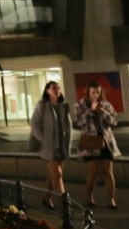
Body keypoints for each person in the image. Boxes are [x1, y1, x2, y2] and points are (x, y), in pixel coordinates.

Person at [74, 81, 120, 209]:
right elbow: (79, 121)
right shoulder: (80, 104)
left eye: (98, 92)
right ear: (88, 92)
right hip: (90, 141)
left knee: (108, 171)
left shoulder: (106, 104)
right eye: (93, 92)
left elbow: (114, 120)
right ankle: (89, 196)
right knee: (93, 171)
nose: (96, 95)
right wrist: (91, 110)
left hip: (106, 141)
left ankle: (111, 200)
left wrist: (103, 112)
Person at [29, 80, 71, 208]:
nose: (57, 90)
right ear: (47, 91)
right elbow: (34, 124)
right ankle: (64, 206)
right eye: (53, 88)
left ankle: (47, 198)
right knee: (57, 175)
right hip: (48, 147)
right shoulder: (42, 105)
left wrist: (67, 144)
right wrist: (43, 139)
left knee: (53, 175)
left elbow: (68, 127)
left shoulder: (63, 106)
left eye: (58, 88)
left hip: (61, 146)